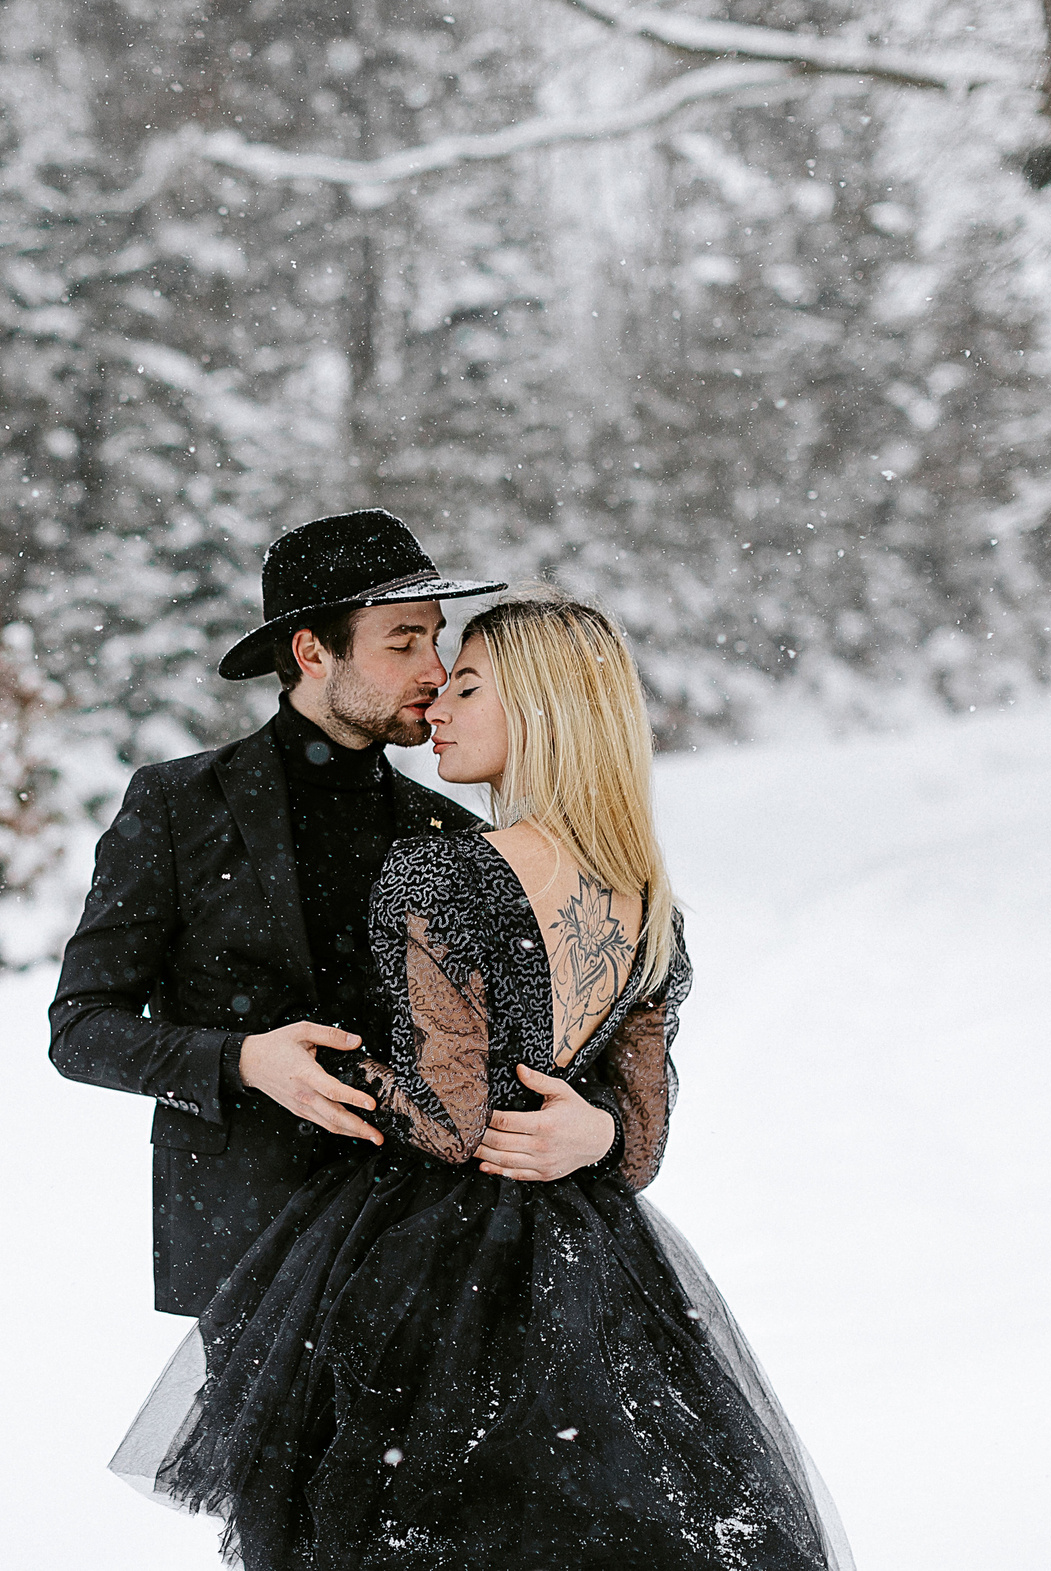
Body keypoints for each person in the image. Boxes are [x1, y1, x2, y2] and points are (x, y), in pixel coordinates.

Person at [109, 585, 851, 1570]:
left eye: (466, 687)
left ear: (540, 711)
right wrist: (587, 1131)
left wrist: (299, 1059)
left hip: (433, 1259)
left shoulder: (443, 872)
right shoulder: (646, 898)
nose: (437, 711)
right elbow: (639, 1143)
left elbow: (447, 1120)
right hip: (590, 1262)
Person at [50, 508, 591, 1317]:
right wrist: (243, 1060)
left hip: (428, 1240)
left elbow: (530, 1051)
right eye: (402, 640)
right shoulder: (174, 806)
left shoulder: (455, 831)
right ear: (311, 652)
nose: (434, 668)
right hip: (247, 1243)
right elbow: (81, 1028)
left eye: (436, 639)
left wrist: (599, 1129)